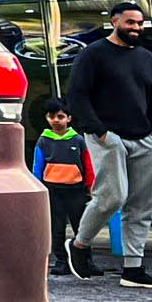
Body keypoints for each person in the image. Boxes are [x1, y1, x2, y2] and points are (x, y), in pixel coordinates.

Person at [65, 2, 152, 288]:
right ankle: (80, 245)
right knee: (112, 196)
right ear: (114, 21)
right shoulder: (93, 55)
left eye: (140, 23)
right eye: (130, 22)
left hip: (145, 139)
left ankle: (133, 270)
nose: (136, 28)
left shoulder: (148, 58)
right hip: (108, 137)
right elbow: (77, 96)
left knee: (142, 206)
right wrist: (100, 133)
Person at [31, 98, 94, 276]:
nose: (56, 120)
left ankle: (86, 261)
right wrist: (38, 188)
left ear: (69, 118)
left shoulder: (79, 140)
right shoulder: (43, 141)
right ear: (47, 118)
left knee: (82, 227)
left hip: (76, 190)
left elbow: (88, 165)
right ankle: (61, 261)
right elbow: (37, 167)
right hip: (53, 191)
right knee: (56, 228)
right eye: (52, 116)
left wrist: (90, 186)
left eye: (60, 116)